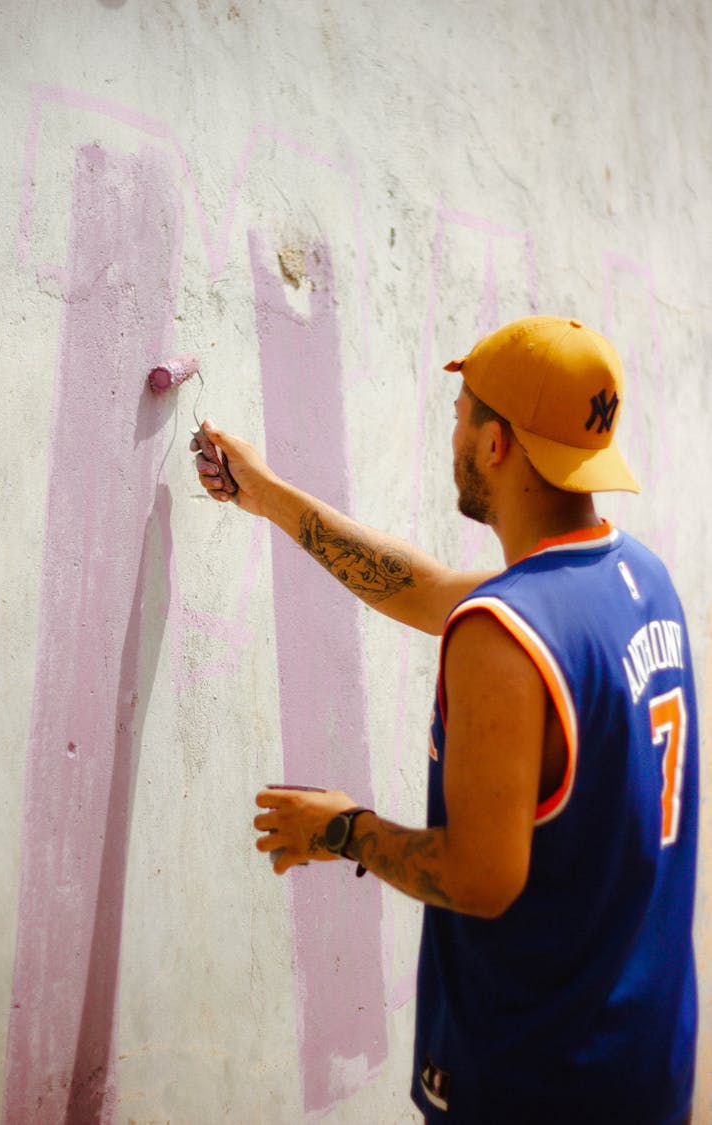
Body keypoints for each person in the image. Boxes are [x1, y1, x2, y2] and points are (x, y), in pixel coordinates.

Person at [193, 315, 698, 1125]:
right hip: (644, 1061)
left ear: (497, 443)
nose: (453, 428)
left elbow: (480, 877)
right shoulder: (636, 578)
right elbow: (422, 588)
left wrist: (343, 829)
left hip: (537, 1082)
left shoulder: (502, 635)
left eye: (462, 412)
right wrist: (270, 497)